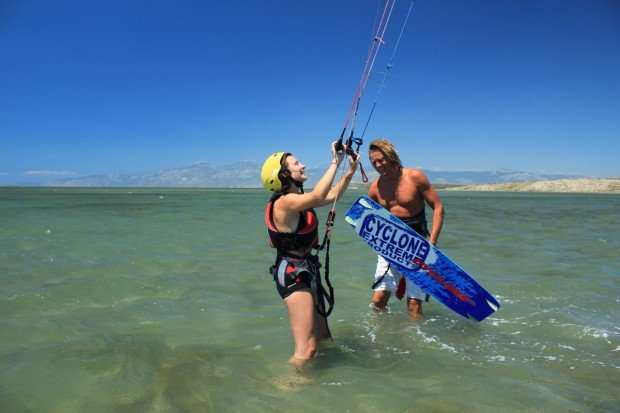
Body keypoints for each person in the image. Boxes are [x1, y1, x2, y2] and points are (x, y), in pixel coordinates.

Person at [261, 141, 359, 369]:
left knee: (323, 339)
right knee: (306, 351)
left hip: (308, 270)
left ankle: (317, 389)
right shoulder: (284, 203)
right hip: (293, 273)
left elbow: (331, 195)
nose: (303, 166)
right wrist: (336, 161)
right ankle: (285, 392)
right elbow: (317, 196)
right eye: (297, 164)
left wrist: (349, 172)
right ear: (284, 175)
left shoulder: (299, 202)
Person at [367, 138, 444, 319]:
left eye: (381, 160)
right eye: (374, 162)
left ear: (391, 156)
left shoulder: (414, 177)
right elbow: (368, 220)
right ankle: (382, 339)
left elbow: (438, 208)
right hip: (389, 246)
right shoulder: (375, 187)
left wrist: (432, 244)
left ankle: (416, 343)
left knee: (414, 307)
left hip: (417, 245)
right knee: (378, 302)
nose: (378, 165)